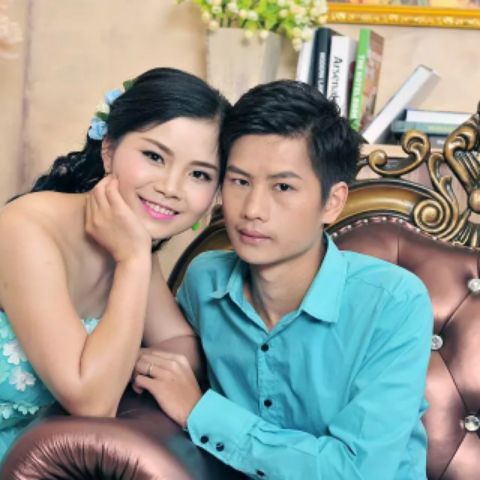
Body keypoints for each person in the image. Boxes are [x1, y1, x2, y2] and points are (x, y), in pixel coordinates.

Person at [134, 80, 433, 479]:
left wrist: (200, 412)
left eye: (283, 187)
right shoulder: (205, 281)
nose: (252, 210)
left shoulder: (393, 302)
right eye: (240, 181)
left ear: (332, 202)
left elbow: (359, 472)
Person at [0, 67, 230, 458]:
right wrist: (133, 259)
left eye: (199, 174)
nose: (170, 187)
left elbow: (184, 346)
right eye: (154, 156)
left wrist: (131, 362)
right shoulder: (25, 228)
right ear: (109, 150)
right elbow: (92, 403)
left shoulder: (130, 242)